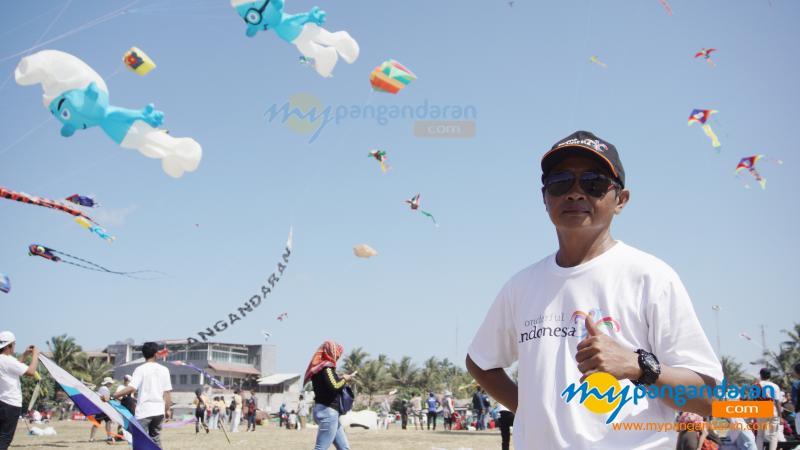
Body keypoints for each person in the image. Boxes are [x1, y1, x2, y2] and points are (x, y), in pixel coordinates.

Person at [465, 131, 723, 449]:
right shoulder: (521, 286)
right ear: (544, 197)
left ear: (621, 200)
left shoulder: (651, 277)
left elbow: (711, 399)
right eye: (561, 181)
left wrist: (640, 367)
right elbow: (481, 361)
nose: (575, 193)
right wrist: (533, 413)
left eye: (594, 182)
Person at [111, 341, 172, 446]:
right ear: (156, 353)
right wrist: (167, 409)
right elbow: (167, 393)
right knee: (155, 438)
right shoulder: (164, 370)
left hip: (144, 411)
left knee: (140, 440)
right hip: (158, 411)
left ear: (143, 354)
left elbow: (131, 387)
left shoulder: (140, 369)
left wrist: (113, 396)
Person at [305, 340, 356, 450]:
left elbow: (329, 386)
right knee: (321, 448)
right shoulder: (327, 368)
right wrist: (345, 379)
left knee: (344, 447)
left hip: (323, 410)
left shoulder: (318, 369)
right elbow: (335, 386)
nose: (338, 357)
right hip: (328, 412)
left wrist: (340, 378)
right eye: (337, 354)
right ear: (331, 352)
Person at [0, 331, 38, 450]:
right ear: (8, 345)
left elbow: (16, 366)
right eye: (14, 344)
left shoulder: (4, 360)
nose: (15, 347)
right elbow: (31, 372)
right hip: (10, 404)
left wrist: (25, 354)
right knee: (5, 438)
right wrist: (35, 354)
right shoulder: (7, 360)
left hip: (2, 402)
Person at [756, 368, 783, 450]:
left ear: (760, 375)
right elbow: (777, 402)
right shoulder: (775, 386)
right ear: (770, 376)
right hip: (772, 410)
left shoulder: (756, 386)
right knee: (773, 435)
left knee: (760, 435)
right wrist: (780, 416)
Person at [89, 377, 115, 443]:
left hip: (102, 408)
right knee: (98, 423)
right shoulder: (104, 389)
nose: (111, 384)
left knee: (107, 422)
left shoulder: (103, 388)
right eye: (110, 383)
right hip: (103, 409)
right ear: (108, 383)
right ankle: (92, 438)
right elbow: (105, 398)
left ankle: (107, 437)